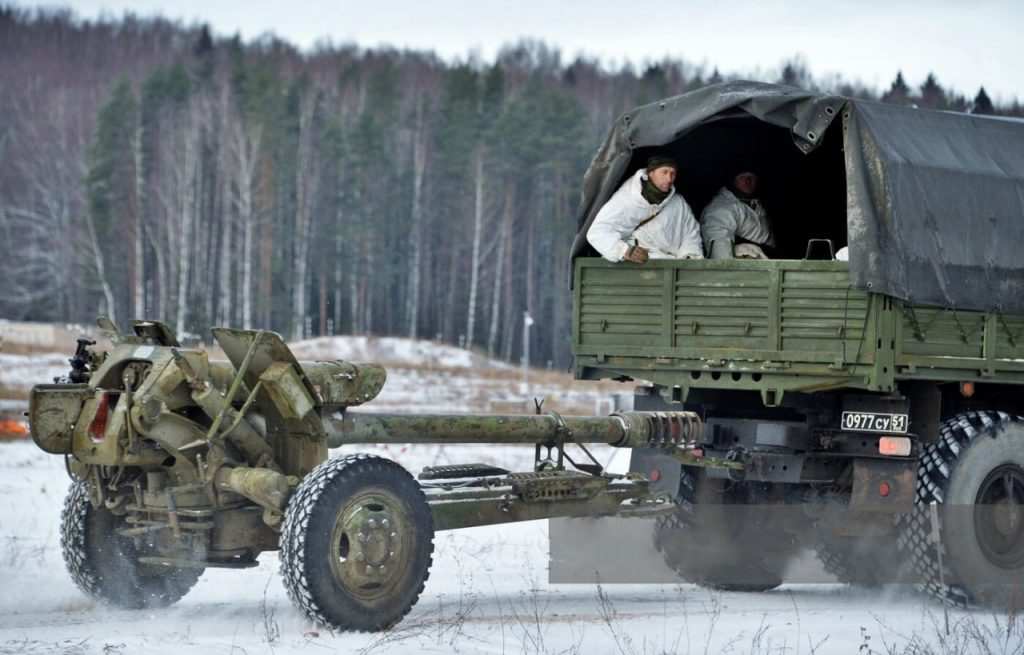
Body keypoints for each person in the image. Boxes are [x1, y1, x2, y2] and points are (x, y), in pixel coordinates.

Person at [586, 155, 703, 263]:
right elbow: (597, 232)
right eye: (664, 172)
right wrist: (624, 251)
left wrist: (689, 257)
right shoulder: (627, 199)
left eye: (673, 174)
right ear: (651, 173)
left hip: (672, 266)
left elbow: (691, 233)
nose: (669, 179)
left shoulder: (678, 203)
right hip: (639, 268)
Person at [701, 171, 775, 259]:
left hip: (769, 263)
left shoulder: (757, 204)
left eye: (751, 177)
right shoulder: (720, 208)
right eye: (742, 177)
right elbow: (719, 249)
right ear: (733, 180)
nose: (748, 181)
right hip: (745, 267)